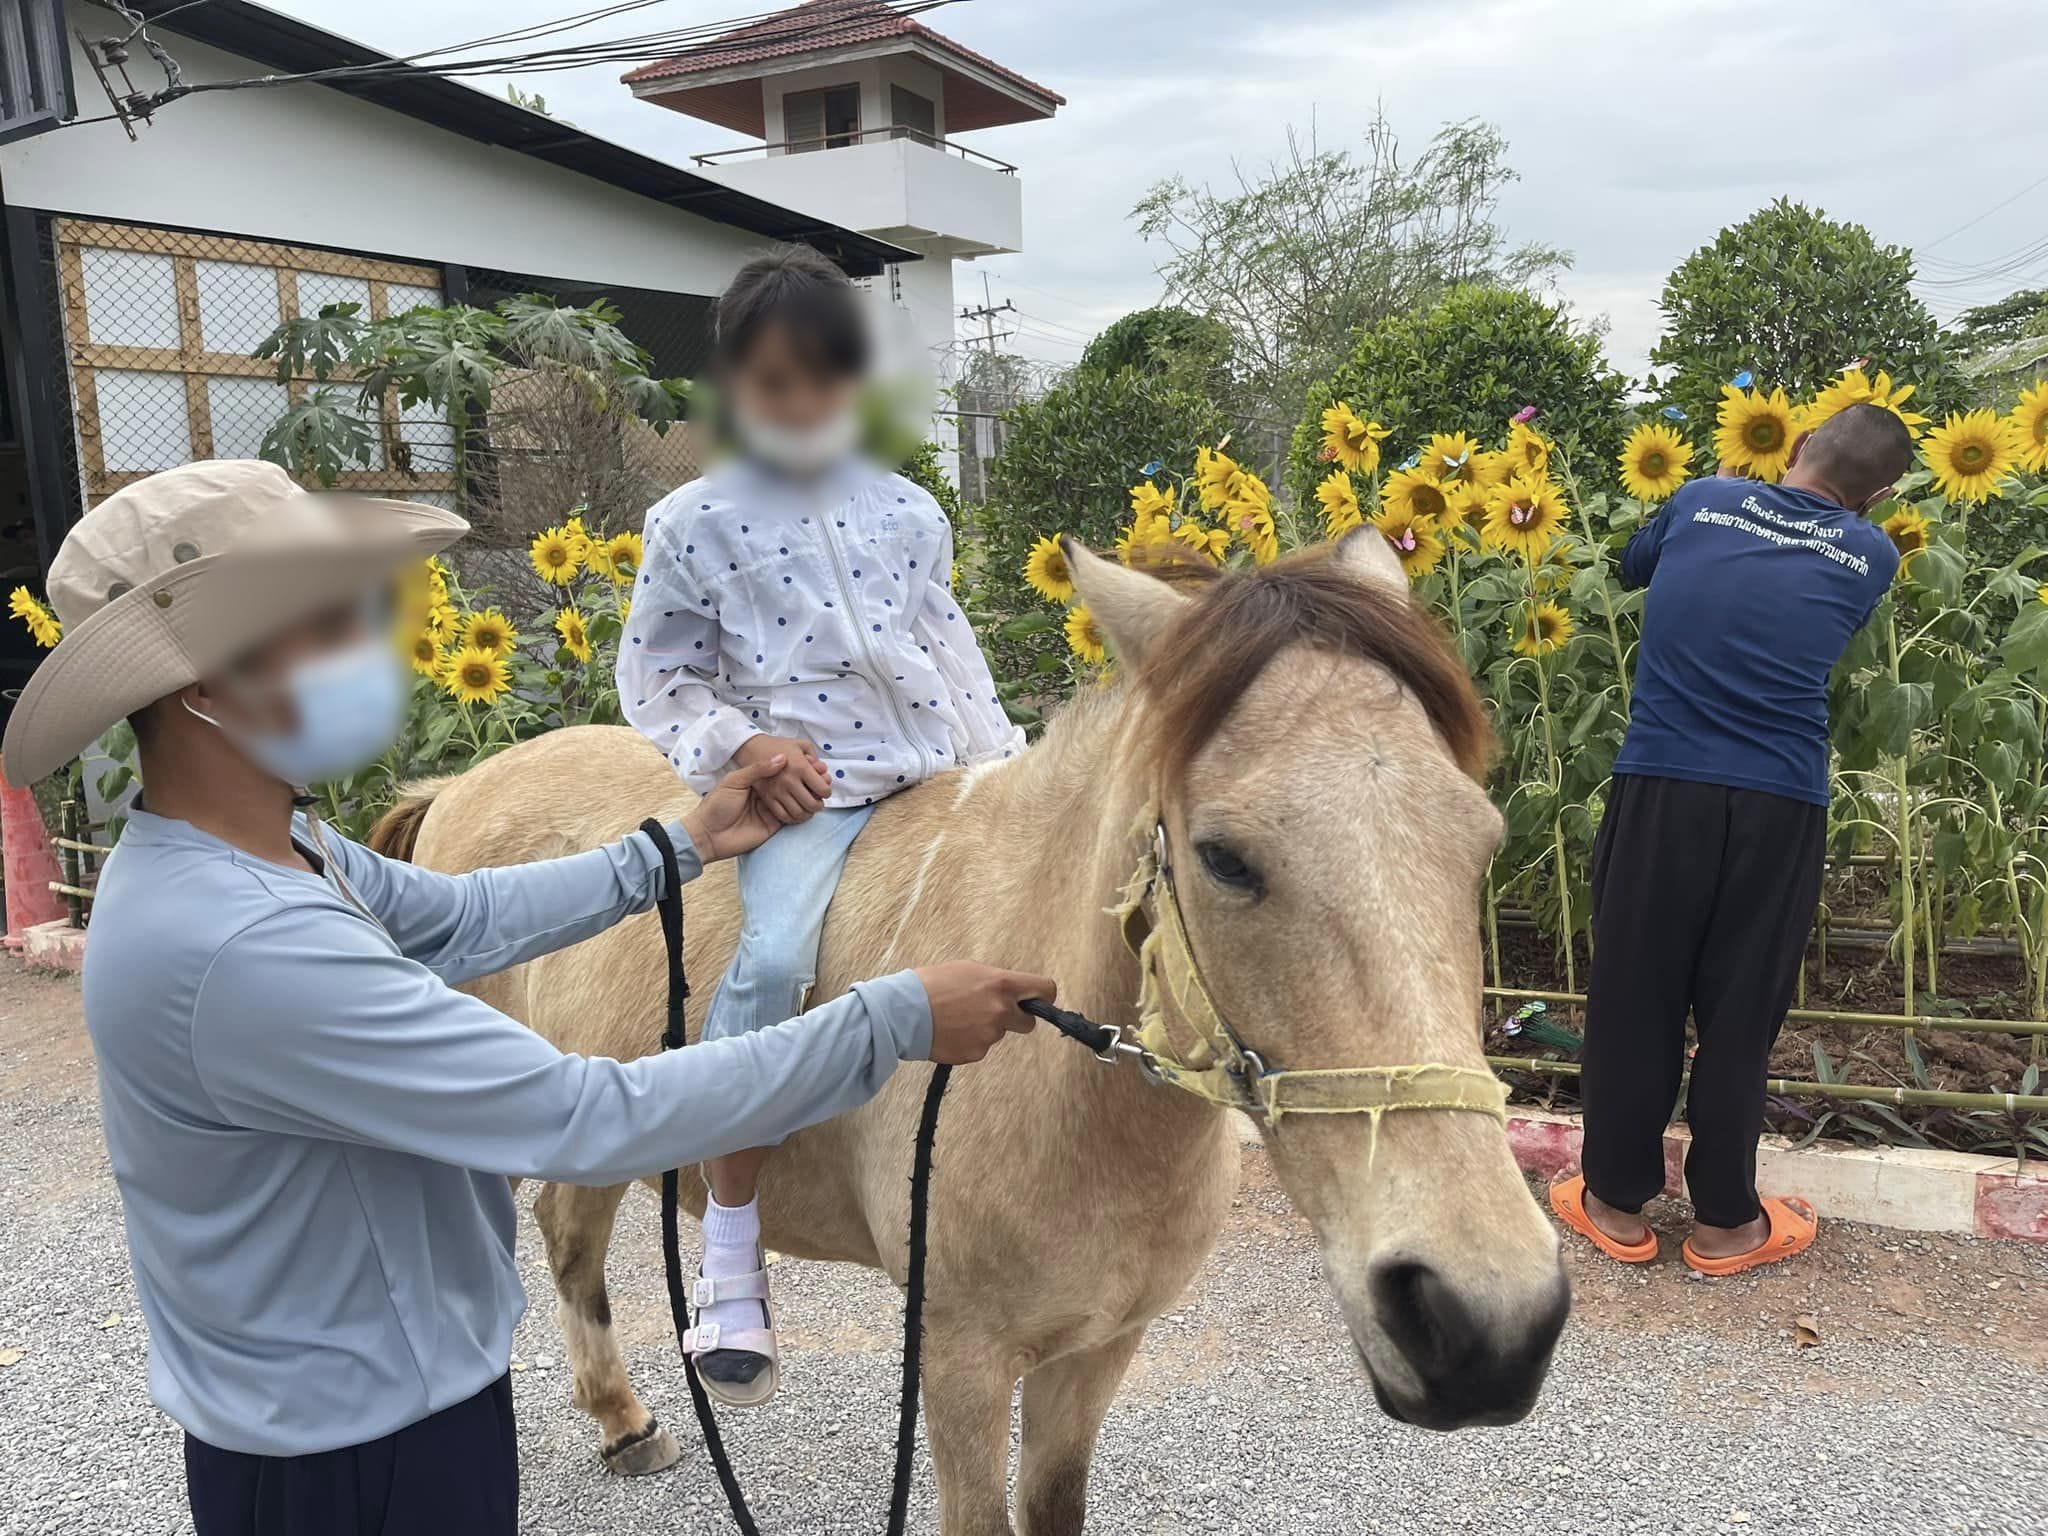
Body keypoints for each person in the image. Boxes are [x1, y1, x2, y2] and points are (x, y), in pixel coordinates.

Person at [0, 458, 1054, 1536]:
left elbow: (457, 918)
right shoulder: (243, 945)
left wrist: (679, 846)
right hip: (353, 1447)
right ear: (206, 686)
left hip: (369, 1396)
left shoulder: (272, 852)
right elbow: (583, 1119)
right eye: (322, 627)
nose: (367, 649)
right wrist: (894, 1017)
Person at [618, 246, 1023, 1405]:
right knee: (778, 963)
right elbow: (660, 680)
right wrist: (744, 752)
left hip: (937, 774)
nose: (803, 408)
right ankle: (730, 1250)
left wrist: (1008, 769)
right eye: (775, 386)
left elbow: (947, 648)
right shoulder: (690, 523)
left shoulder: (906, 509)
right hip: (812, 799)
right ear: (739, 387)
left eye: (825, 383)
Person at [1550, 403, 1912, 1275]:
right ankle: (1725, 1226)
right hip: (1779, 801)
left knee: (1636, 993)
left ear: (1792, 448)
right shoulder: (1872, 553)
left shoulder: (1704, 497)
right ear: (1883, 495)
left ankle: (1615, 1207)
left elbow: (1636, 565)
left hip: (1663, 781)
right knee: (1742, 1010)